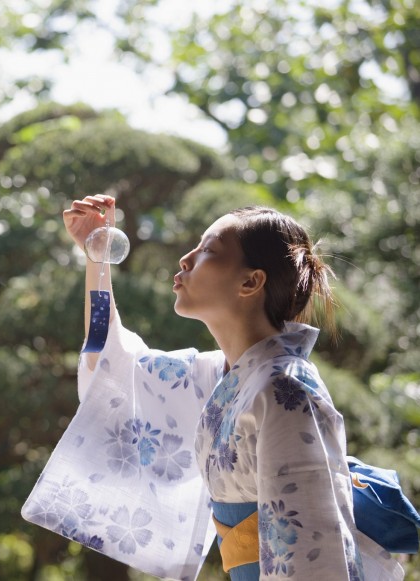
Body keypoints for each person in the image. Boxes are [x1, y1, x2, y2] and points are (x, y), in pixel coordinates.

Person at [57, 194, 405, 579]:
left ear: (250, 281)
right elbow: (114, 367)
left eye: (208, 250)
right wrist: (97, 257)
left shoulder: (286, 388)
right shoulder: (223, 378)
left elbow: (311, 550)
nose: (185, 259)